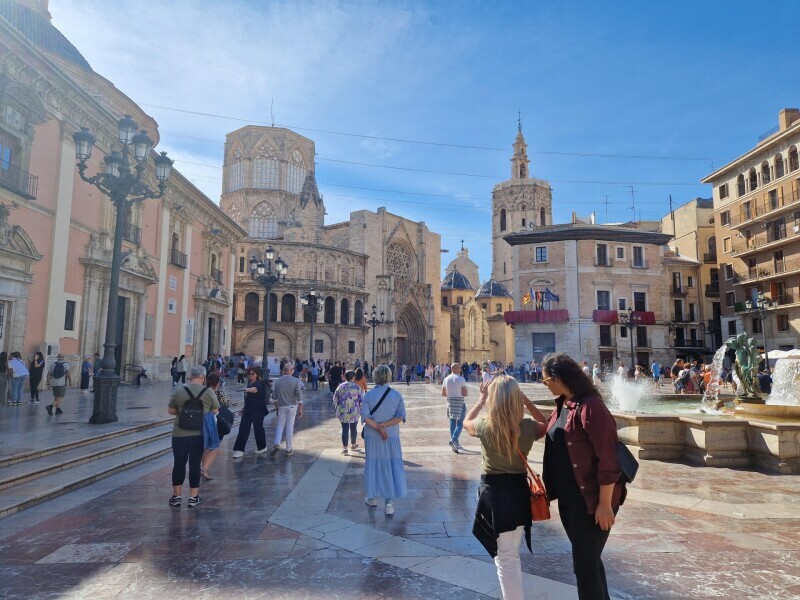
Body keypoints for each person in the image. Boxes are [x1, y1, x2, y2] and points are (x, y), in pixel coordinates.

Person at [541, 353, 626, 600]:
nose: (544, 385)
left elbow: (608, 460)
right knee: (589, 561)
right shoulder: (563, 404)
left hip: (591, 501)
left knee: (584, 567)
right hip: (570, 500)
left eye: (546, 380)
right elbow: (551, 429)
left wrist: (605, 505)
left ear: (558, 379)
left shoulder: (590, 407)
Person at [463, 374, 547, 600]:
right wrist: (526, 402)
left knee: (505, 559)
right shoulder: (527, 427)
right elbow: (547, 424)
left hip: (495, 496)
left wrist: (481, 400)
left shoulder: (485, 425)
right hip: (519, 493)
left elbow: (466, 423)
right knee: (511, 554)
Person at [168, 365, 219, 508]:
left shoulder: (179, 391)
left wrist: (183, 413)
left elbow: (171, 410)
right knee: (195, 465)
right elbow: (215, 410)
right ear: (203, 377)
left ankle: (177, 497)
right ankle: (193, 497)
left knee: (179, 464)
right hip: (199, 434)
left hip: (179, 434)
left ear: (190, 377)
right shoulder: (208, 392)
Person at [362, 364, 407, 515]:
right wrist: (385, 426)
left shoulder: (368, 395)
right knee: (390, 466)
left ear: (375, 377)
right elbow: (400, 416)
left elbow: (366, 417)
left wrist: (378, 427)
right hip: (391, 436)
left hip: (373, 436)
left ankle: (372, 497)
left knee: (373, 464)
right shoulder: (396, 395)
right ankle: (389, 504)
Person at [232, 368, 271, 458]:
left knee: (258, 429)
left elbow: (255, 389)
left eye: (252, 374)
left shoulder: (258, 383)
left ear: (256, 374)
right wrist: (243, 409)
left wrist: (247, 389)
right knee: (243, 429)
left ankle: (262, 447)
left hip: (258, 411)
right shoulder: (249, 383)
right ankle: (239, 450)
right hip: (248, 410)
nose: (250, 375)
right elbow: (248, 399)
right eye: (249, 373)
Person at [269, 362, 304, 456]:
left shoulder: (278, 381)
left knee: (280, 425)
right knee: (289, 427)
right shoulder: (296, 381)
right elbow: (299, 397)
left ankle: (276, 443)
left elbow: (274, 397)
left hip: (281, 406)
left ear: (283, 371)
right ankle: (289, 449)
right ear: (291, 370)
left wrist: (276, 407)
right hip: (292, 406)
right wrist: (300, 409)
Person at [200, 372, 229, 481]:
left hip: (199, 420)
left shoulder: (202, 391)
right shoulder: (212, 392)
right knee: (214, 447)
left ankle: (204, 469)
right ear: (217, 383)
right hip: (209, 421)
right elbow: (215, 410)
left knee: (204, 447)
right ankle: (204, 468)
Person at [334, 370, 363, 455]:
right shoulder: (357, 387)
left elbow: (335, 398)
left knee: (345, 428)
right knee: (353, 428)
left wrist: (339, 406)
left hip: (343, 411)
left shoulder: (341, 386)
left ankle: (345, 448)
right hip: (354, 411)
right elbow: (361, 400)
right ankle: (353, 444)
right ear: (353, 377)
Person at [441, 363, 468, 454]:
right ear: (455, 369)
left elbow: (443, 393)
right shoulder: (461, 379)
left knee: (452, 422)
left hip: (450, 401)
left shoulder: (446, 379)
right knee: (460, 423)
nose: (460, 369)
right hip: (459, 401)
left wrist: (451, 394)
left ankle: (456, 442)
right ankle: (453, 440)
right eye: (459, 368)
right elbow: (465, 393)